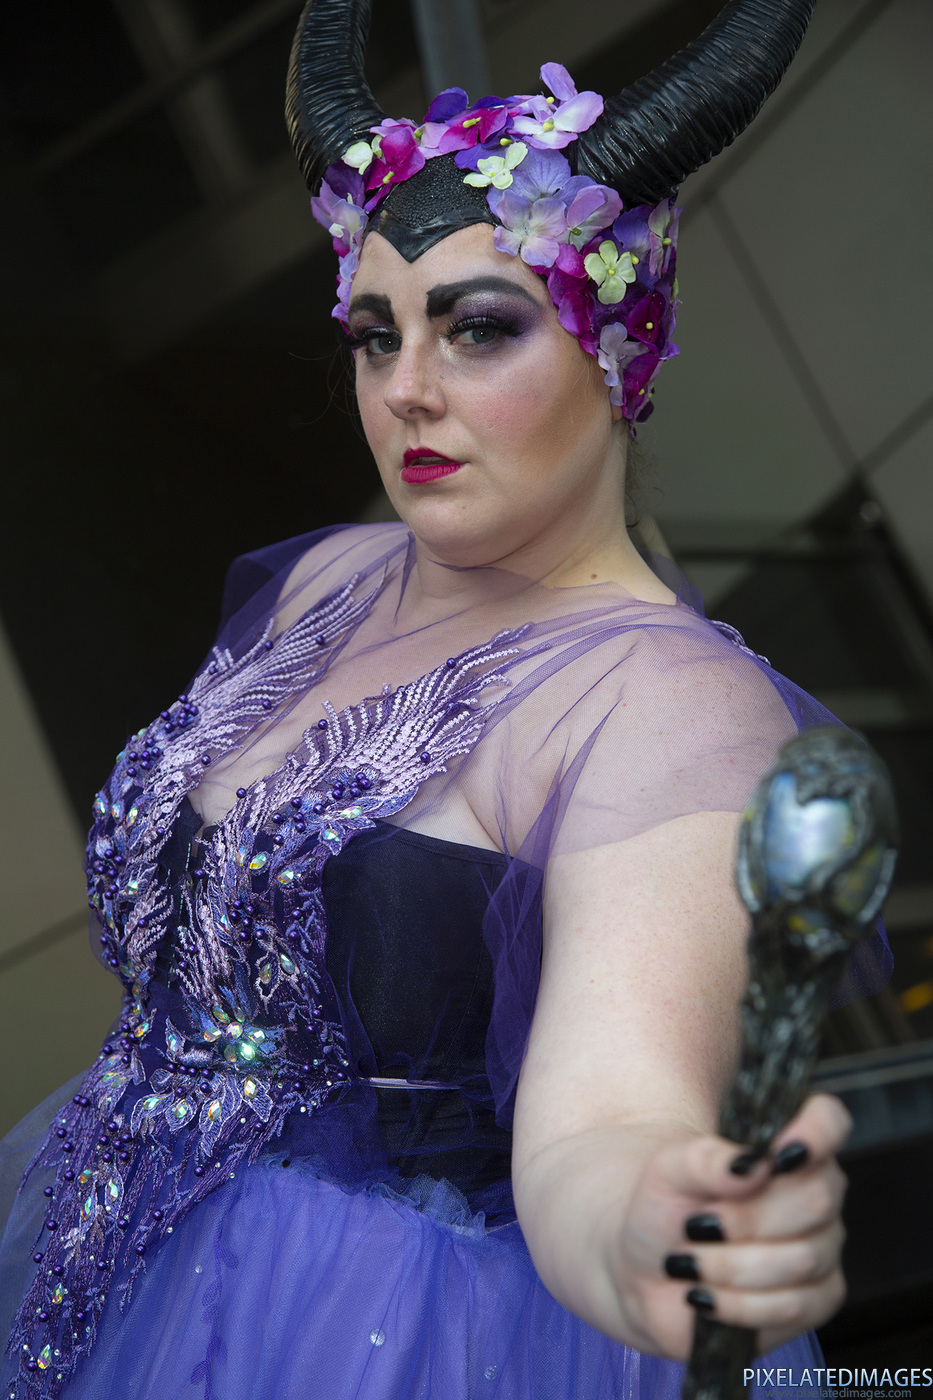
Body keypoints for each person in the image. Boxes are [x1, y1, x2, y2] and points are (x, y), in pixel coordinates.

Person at [0, 1, 892, 1396]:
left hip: (373, 1332)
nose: (407, 389)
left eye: (479, 329)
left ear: (614, 346)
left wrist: (647, 1224)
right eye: (376, 335)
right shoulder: (331, 579)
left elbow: (609, 1109)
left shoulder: (672, 706)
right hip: (101, 1243)